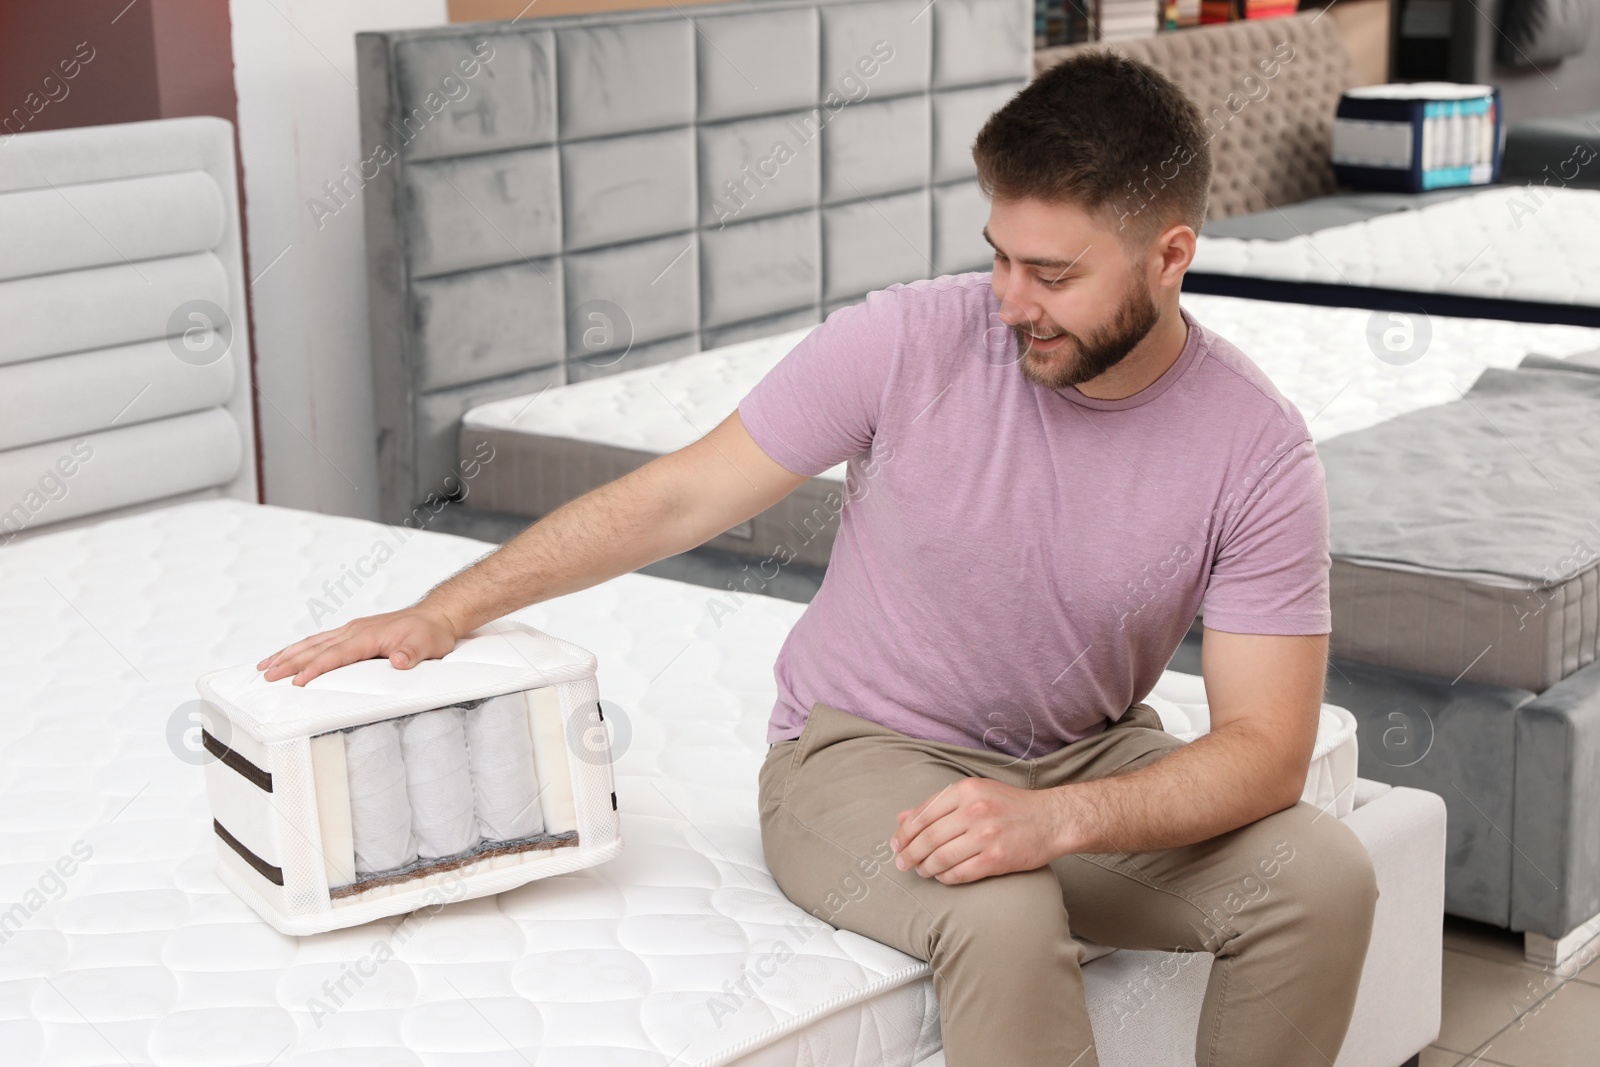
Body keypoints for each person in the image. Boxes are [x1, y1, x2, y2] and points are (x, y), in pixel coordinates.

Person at [262, 51, 1377, 1067]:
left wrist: (1059, 816)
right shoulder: (904, 340)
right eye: (996, 256)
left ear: (1170, 256)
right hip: (860, 752)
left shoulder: (1255, 447)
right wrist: (447, 610)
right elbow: (679, 492)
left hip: (1084, 757)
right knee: (999, 910)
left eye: (1050, 273)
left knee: (1321, 879)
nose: (1007, 301)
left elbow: (1265, 750)